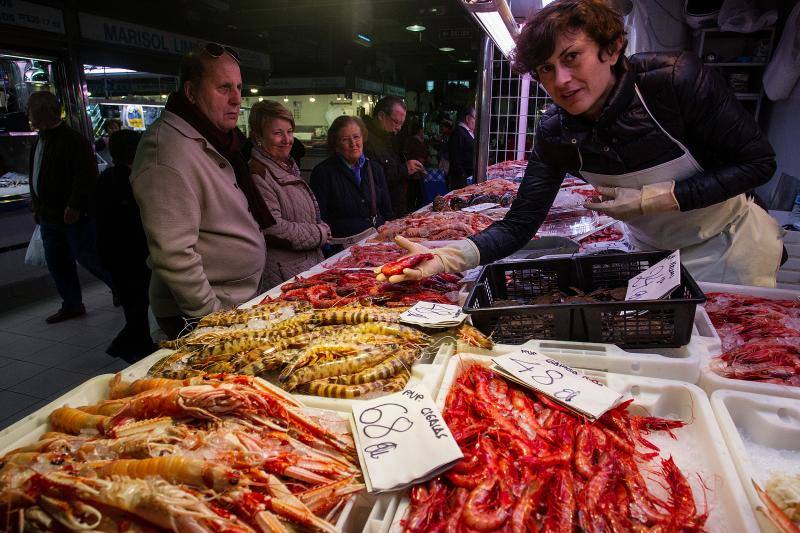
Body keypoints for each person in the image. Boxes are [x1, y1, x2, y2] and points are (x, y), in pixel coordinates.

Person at [378, 0, 783, 288]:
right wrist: (449, 257)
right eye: (546, 70)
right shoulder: (555, 132)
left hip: (727, 249)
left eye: (572, 58)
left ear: (611, 48)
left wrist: (656, 198)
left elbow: (758, 163)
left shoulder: (674, 82)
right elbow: (521, 224)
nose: (561, 81)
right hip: (649, 255)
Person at [132, 45, 271, 339]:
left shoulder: (215, 138)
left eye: (238, 87)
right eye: (223, 88)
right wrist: (211, 319)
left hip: (237, 301)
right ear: (191, 93)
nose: (236, 99)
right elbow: (173, 254)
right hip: (203, 314)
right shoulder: (166, 149)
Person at [27, 91, 114, 323]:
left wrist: (75, 204)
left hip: (74, 216)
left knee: (90, 258)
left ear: (47, 110)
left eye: (32, 110)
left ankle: (121, 289)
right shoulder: (40, 141)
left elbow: (85, 176)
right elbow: (34, 173)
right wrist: (36, 205)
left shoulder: (72, 140)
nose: (29, 115)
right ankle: (72, 304)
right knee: (58, 263)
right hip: (48, 215)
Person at [248, 100, 330, 290]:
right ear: (258, 136)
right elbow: (273, 229)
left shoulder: (286, 166)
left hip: (302, 270)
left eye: (289, 132)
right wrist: (319, 233)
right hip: (284, 278)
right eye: (277, 133)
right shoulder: (258, 174)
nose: (287, 139)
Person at [95, 129, 155, 361]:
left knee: (135, 309)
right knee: (139, 310)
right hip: (132, 260)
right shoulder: (130, 181)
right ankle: (134, 351)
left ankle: (131, 346)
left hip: (118, 259)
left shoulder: (108, 178)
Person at [310, 115, 394, 252]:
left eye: (356, 137)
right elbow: (319, 219)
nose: (353, 143)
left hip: (377, 245)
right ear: (336, 144)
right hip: (342, 250)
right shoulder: (323, 173)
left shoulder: (375, 168)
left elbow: (387, 211)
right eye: (345, 139)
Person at [364, 96, 424, 217]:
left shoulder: (389, 137)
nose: (399, 128)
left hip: (395, 207)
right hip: (382, 213)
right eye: (396, 122)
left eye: (402, 124)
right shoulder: (366, 140)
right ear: (381, 116)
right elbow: (374, 180)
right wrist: (404, 169)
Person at [447, 106, 476, 191]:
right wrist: (462, 175)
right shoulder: (458, 132)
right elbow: (455, 157)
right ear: (467, 118)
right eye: (475, 118)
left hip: (467, 177)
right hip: (460, 179)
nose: (476, 121)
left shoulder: (468, 132)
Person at [402, 121, 429, 212]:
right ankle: (412, 211)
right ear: (419, 130)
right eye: (422, 130)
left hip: (419, 171)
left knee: (419, 193)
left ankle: (416, 209)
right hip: (413, 172)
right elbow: (406, 154)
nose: (423, 132)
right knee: (413, 193)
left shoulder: (422, 141)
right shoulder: (412, 141)